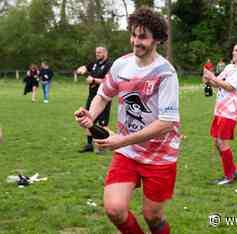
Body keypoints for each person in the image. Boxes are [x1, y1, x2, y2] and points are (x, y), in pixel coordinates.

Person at [74, 7, 180, 234]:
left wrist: (121, 140)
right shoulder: (122, 64)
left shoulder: (166, 73)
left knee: (153, 217)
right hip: (128, 152)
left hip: (159, 155)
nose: (135, 41)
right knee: (114, 209)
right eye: (133, 34)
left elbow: (166, 124)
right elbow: (103, 95)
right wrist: (91, 115)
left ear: (157, 39)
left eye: (142, 37)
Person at [202, 41, 237, 185]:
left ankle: (229, 175)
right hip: (219, 109)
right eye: (233, 50)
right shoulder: (229, 67)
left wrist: (212, 77)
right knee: (217, 142)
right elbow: (218, 82)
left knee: (222, 142)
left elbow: (229, 86)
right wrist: (208, 79)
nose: (233, 53)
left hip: (230, 111)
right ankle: (232, 170)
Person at [76, 47, 113, 153]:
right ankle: (89, 145)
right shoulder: (95, 63)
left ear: (105, 53)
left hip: (104, 97)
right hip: (92, 96)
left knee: (103, 124)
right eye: (96, 52)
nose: (97, 54)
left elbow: (108, 82)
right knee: (87, 119)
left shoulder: (109, 65)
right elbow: (85, 67)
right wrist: (81, 69)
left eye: (99, 52)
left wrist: (94, 80)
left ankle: (104, 145)